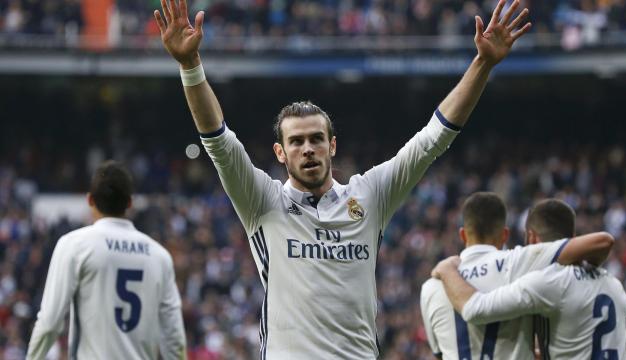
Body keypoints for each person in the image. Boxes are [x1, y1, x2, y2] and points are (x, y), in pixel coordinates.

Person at [154, 0, 531, 357]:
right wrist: (190, 64)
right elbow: (217, 141)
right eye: (297, 141)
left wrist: (482, 63)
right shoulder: (262, 201)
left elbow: (433, 139)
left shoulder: (369, 195)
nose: (308, 149)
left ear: (332, 146)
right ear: (280, 153)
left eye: (316, 139)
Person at [433, 199, 626, 360]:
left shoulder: (548, 282)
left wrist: (447, 269)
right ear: (573, 235)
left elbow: (474, 309)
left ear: (532, 238)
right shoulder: (613, 283)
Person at [27, 161, 186, 360]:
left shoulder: (75, 245)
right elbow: (174, 338)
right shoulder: (159, 256)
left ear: (90, 200)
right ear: (129, 202)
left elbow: (50, 322)